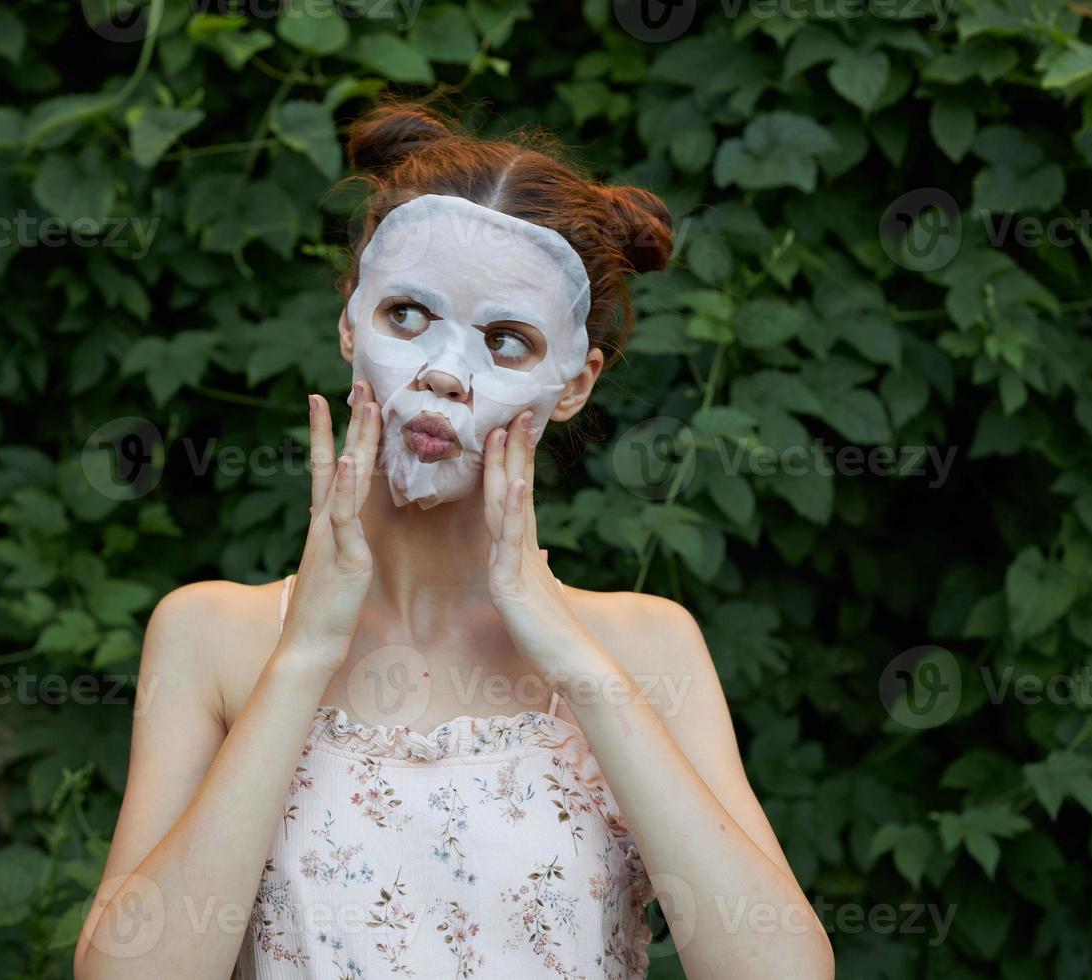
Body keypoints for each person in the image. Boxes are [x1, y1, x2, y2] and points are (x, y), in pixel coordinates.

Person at [74, 100, 834, 979]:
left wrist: (569, 656)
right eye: (407, 315)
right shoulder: (214, 638)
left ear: (575, 383)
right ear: (351, 321)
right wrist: (307, 651)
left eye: (507, 341)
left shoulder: (645, 647)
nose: (444, 371)